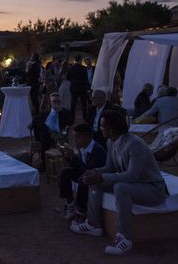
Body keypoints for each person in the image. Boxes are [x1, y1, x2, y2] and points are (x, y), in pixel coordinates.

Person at [71, 110, 166, 256]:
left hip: (152, 189)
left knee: (121, 188)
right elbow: (110, 167)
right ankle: (94, 225)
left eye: (103, 126)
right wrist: (95, 172)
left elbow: (132, 176)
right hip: (136, 184)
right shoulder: (111, 142)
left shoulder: (135, 144)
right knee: (94, 181)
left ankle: (125, 238)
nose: (100, 128)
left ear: (112, 128)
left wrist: (102, 177)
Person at [59, 123, 106, 221]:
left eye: (77, 138)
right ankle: (70, 203)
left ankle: (82, 210)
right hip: (84, 172)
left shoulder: (98, 151)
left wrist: (74, 158)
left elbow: (89, 171)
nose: (75, 141)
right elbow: (78, 167)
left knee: (83, 178)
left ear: (88, 137)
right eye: (74, 138)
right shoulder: (81, 147)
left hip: (96, 177)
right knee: (65, 172)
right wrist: (68, 158)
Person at [29, 92, 73, 168]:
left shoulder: (66, 112)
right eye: (54, 101)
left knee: (46, 135)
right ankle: (43, 162)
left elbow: (69, 122)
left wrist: (58, 112)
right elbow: (35, 121)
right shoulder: (45, 113)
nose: (56, 103)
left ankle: (65, 161)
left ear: (61, 102)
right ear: (50, 103)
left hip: (60, 134)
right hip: (47, 134)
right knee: (44, 135)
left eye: (58, 101)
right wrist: (32, 124)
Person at [67, 55, 90, 121]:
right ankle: (85, 118)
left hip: (74, 87)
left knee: (73, 103)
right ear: (81, 60)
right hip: (82, 87)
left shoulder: (71, 68)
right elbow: (86, 79)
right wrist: (88, 87)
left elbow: (68, 78)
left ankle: (72, 118)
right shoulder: (83, 68)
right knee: (84, 104)